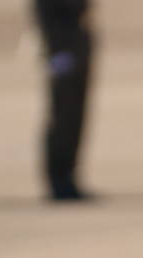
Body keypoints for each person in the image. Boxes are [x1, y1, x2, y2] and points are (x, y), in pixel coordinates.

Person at [32, 0, 94, 201]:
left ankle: (68, 175)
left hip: (76, 44)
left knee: (75, 115)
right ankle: (59, 178)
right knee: (63, 115)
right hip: (62, 50)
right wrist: (57, 51)